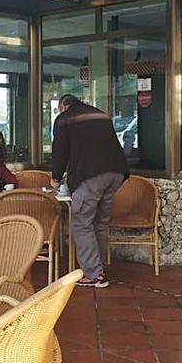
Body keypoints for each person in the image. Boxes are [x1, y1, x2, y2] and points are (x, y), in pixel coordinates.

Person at [51, 94, 129, 288]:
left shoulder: (65, 118)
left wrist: (56, 178)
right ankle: (99, 267)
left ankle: (94, 274)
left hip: (91, 175)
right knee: (99, 222)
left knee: (81, 223)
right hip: (116, 172)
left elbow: (59, 151)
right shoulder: (100, 115)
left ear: (63, 106)